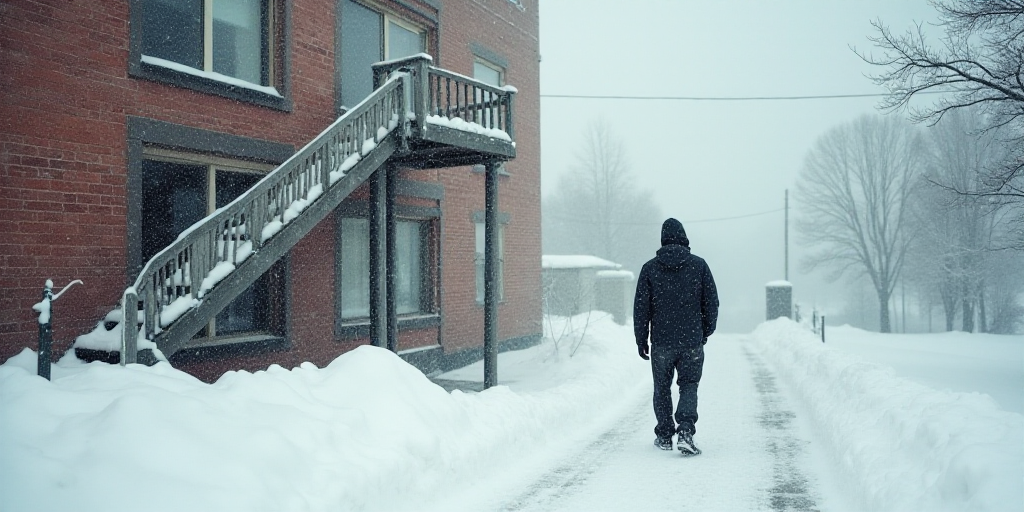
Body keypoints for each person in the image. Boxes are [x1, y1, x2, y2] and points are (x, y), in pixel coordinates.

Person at [634, 218, 719, 455]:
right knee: (689, 385)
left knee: (662, 388)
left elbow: (641, 309)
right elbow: (711, 303)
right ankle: (685, 430)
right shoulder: (699, 266)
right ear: (684, 237)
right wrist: (705, 330)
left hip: (661, 341)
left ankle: (664, 435)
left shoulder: (649, 268)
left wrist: (641, 339)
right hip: (691, 339)